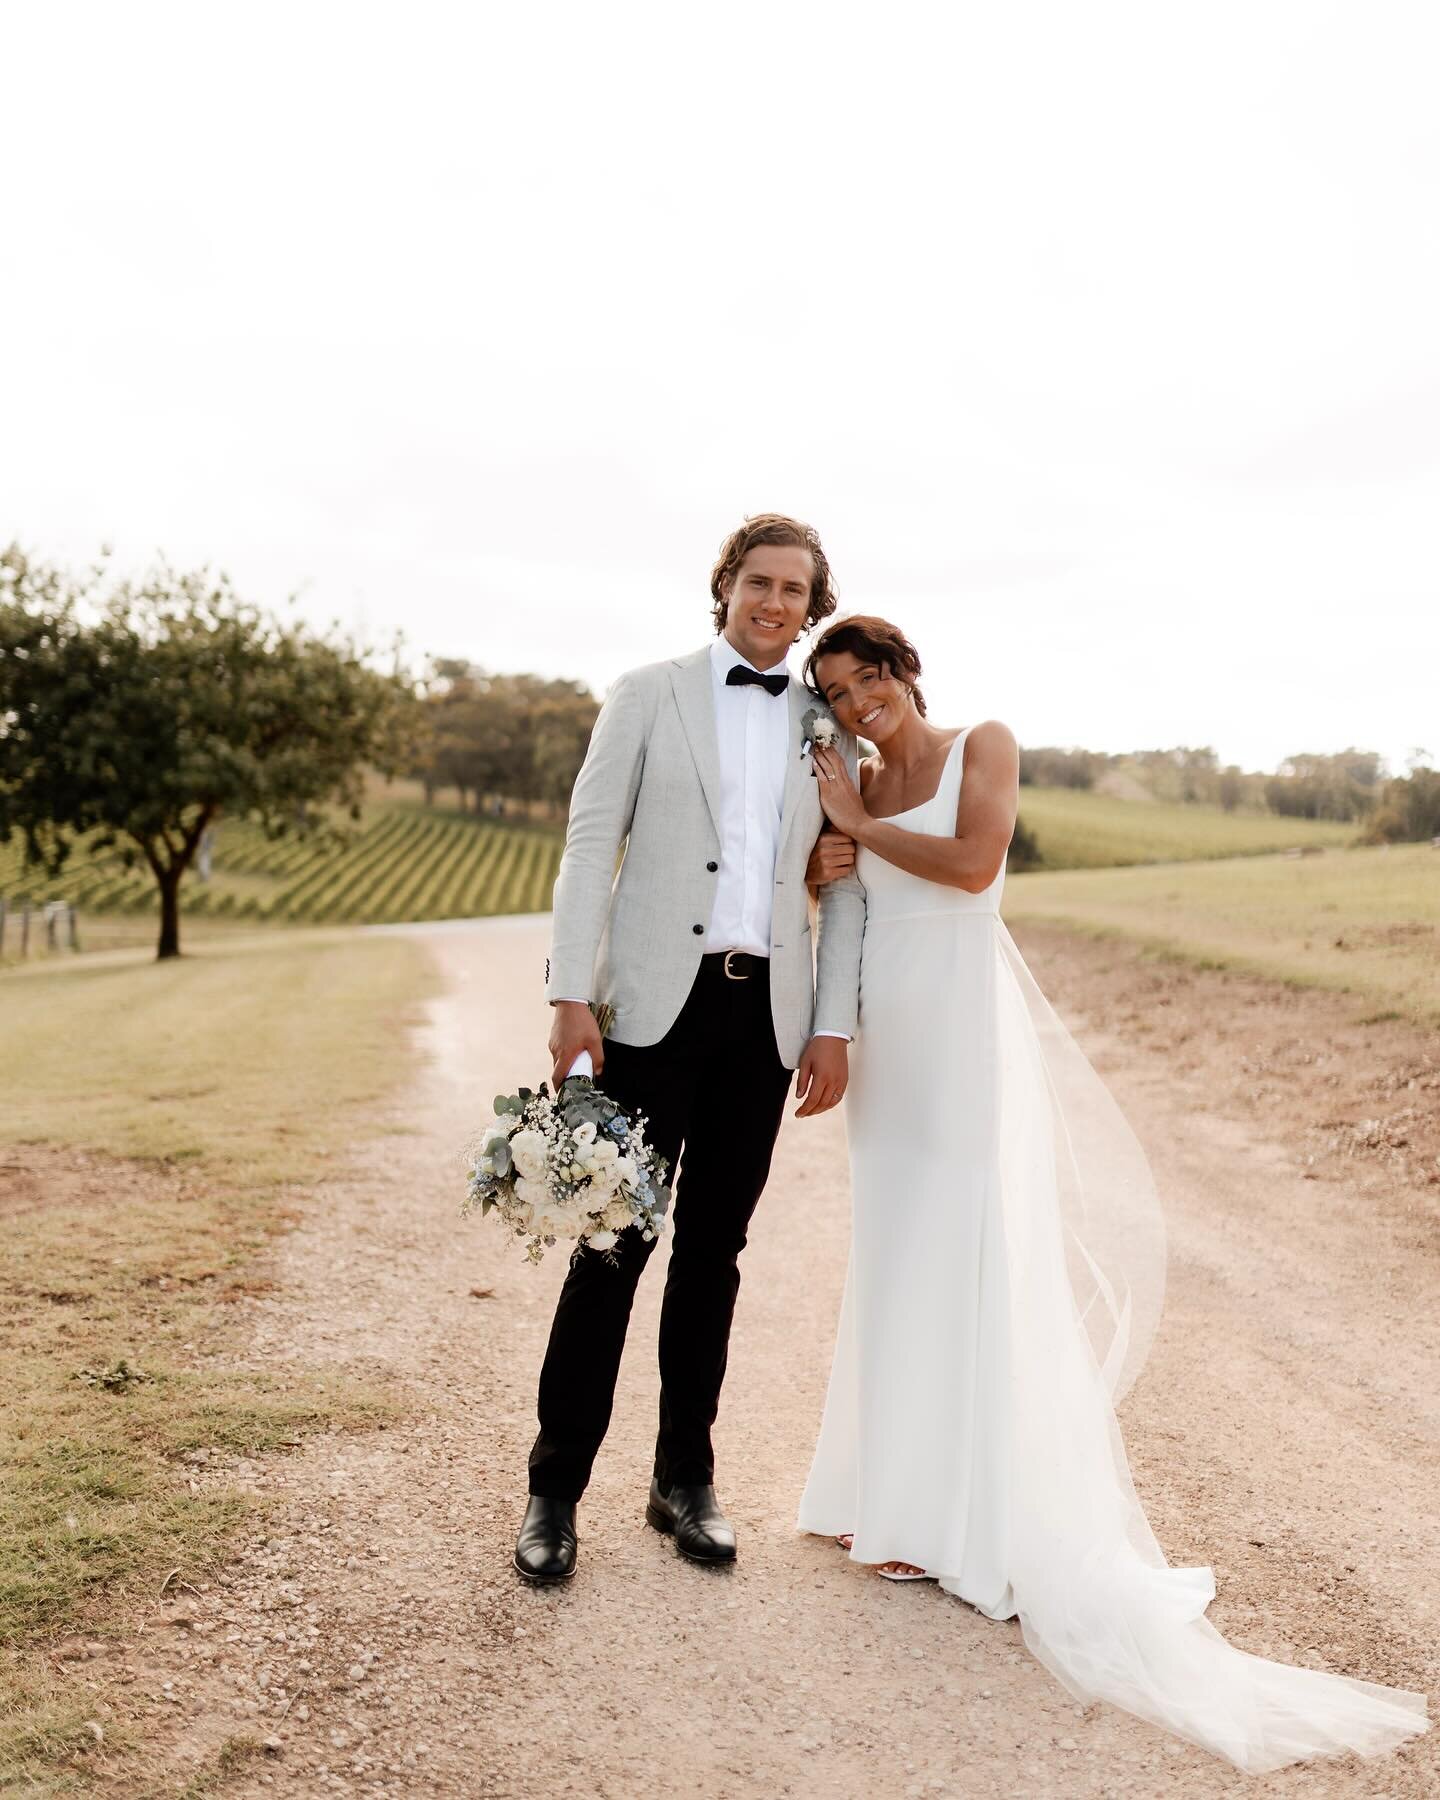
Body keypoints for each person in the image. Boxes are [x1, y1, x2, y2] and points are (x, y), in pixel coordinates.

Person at [796, 612, 1428, 1773]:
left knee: (970, 1247)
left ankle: (959, 1522)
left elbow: (977, 864)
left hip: (965, 1032)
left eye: (867, 678)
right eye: (834, 693)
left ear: (905, 672)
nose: (855, 704)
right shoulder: (854, 780)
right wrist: (827, 857)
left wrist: (858, 826)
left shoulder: (982, 742)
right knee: (896, 1251)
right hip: (892, 1034)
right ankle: (879, 1494)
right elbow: (840, 903)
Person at [514, 514, 866, 1584]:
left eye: (795, 591)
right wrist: (570, 993)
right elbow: (588, 847)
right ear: (724, 587)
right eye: (758, 582)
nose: (774, 603)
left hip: (763, 1021)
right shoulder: (646, 693)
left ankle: (685, 1482)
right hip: (646, 1018)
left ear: (813, 609)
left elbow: (841, 880)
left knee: (714, 1257)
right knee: (610, 1247)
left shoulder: (828, 728)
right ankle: (553, 1492)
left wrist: (834, 1022)